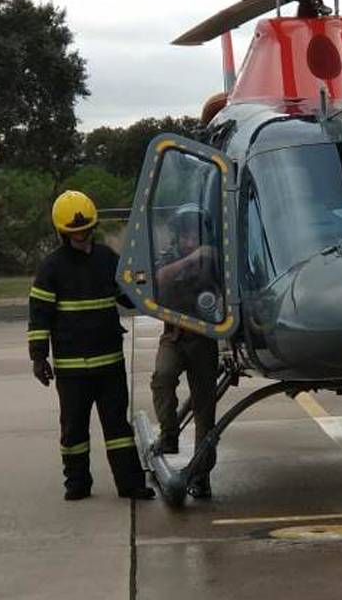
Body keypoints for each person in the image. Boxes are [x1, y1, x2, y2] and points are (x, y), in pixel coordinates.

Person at [28, 190, 154, 502]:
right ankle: (77, 483)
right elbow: (39, 316)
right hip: (71, 369)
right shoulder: (51, 268)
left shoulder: (107, 259)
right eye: (75, 232)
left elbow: (126, 296)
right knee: (73, 431)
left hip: (109, 363)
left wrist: (147, 292)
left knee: (118, 430)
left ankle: (130, 484)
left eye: (86, 230)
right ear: (62, 232)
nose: (82, 237)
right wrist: (38, 358)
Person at [149, 204, 221, 499]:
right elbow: (157, 281)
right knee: (162, 378)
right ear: (178, 234)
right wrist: (191, 260)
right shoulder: (169, 259)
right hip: (174, 337)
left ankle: (202, 475)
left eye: (195, 231)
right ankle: (169, 434)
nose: (190, 236)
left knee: (205, 410)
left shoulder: (216, 259)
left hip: (205, 338)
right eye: (186, 231)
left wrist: (208, 257)